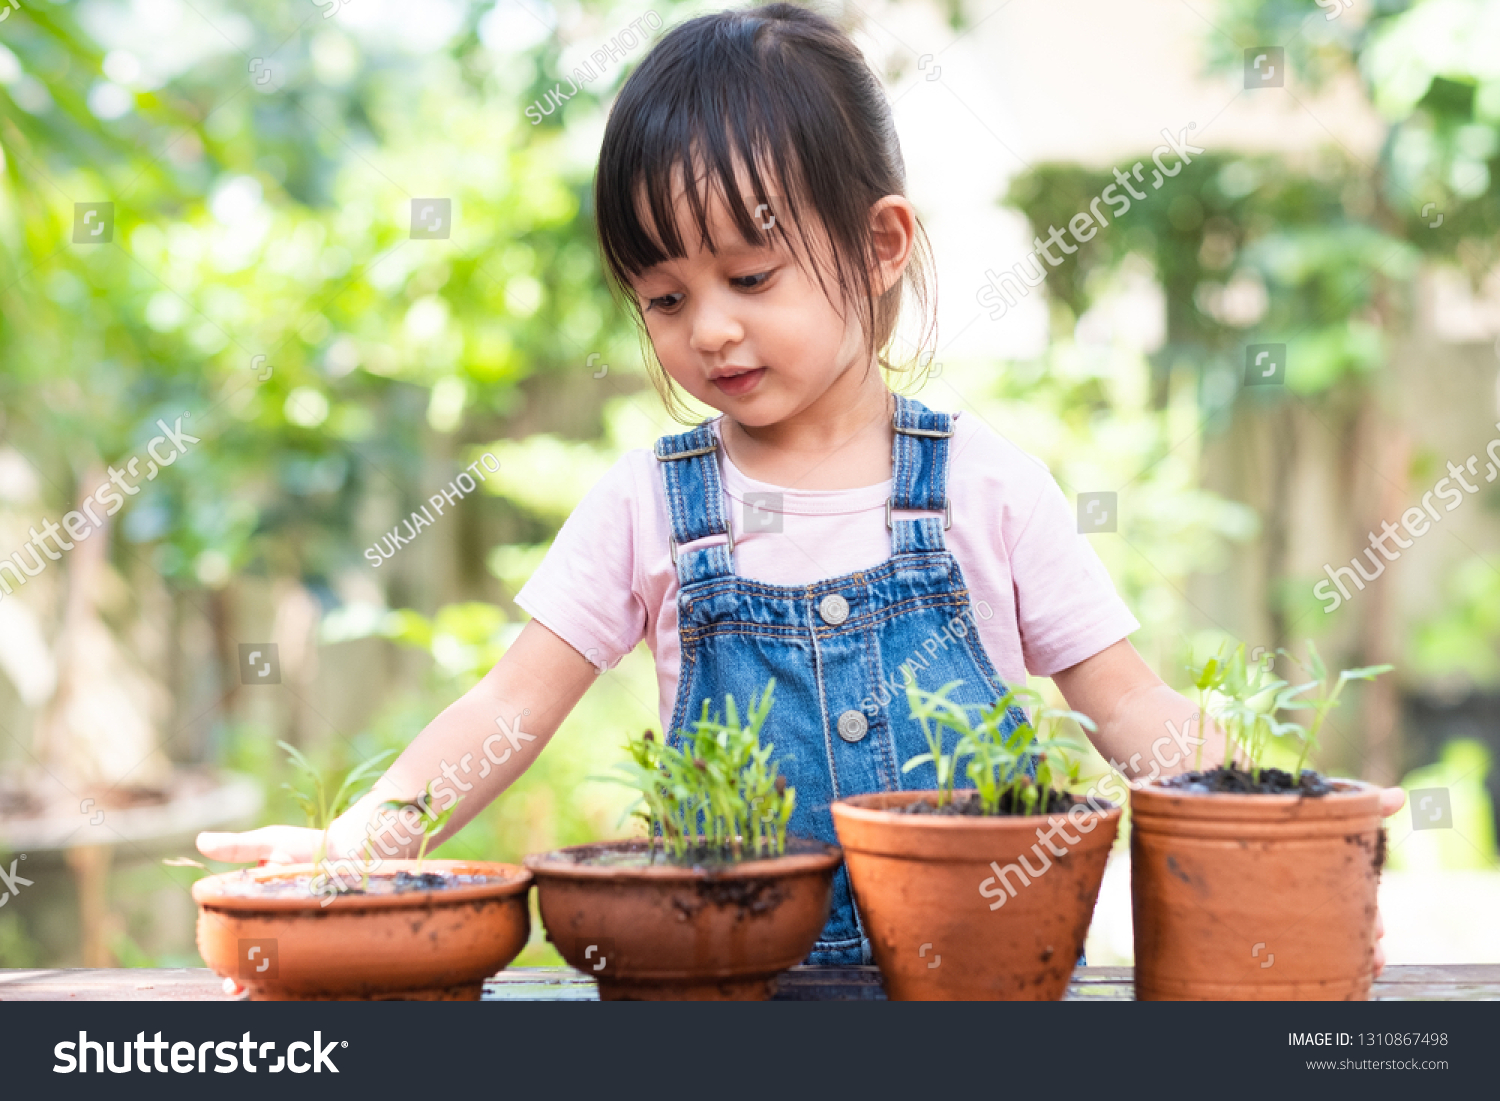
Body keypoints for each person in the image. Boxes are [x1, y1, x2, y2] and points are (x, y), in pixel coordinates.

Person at [199, 2, 1403, 971]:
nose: (710, 329)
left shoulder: (985, 486)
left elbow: (1129, 707)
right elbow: (511, 707)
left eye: (751, 274)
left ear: (882, 247)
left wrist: (1288, 807)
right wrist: (365, 841)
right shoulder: (648, 505)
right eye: (665, 298)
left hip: (974, 992)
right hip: (726, 993)